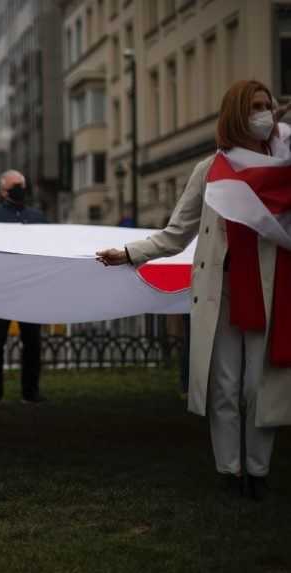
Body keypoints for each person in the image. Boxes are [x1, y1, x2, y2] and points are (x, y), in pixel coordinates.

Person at [97, 80, 291, 501]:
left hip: (271, 292)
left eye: (269, 106)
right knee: (224, 386)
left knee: (261, 388)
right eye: (256, 106)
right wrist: (130, 252)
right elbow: (176, 233)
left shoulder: (286, 169)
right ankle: (229, 470)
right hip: (220, 292)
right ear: (237, 114)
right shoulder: (210, 170)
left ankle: (257, 471)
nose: (266, 114)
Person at [0, 170, 48, 405]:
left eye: (21, 185)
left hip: (30, 289)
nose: (19, 189)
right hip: (1, 288)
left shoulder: (39, 217)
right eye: (14, 186)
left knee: (32, 343)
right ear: (3, 192)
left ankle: (31, 392)